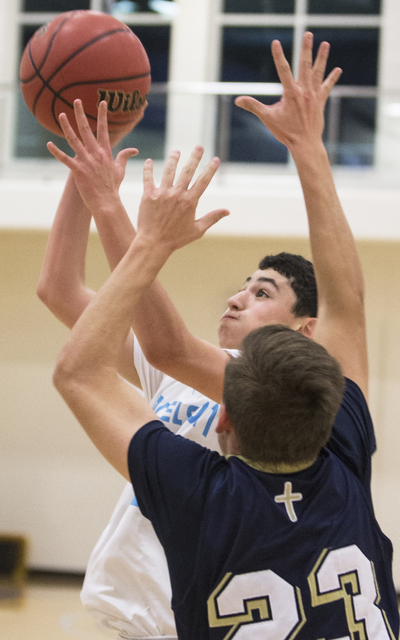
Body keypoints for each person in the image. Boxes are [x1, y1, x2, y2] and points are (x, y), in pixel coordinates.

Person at [38, 32, 383, 639]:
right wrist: (96, 167)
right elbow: (66, 294)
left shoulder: (206, 483)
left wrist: (125, 219)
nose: (237, 296)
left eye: (263, 292)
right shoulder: (336, 439)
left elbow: (154, 348)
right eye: (243, 284)